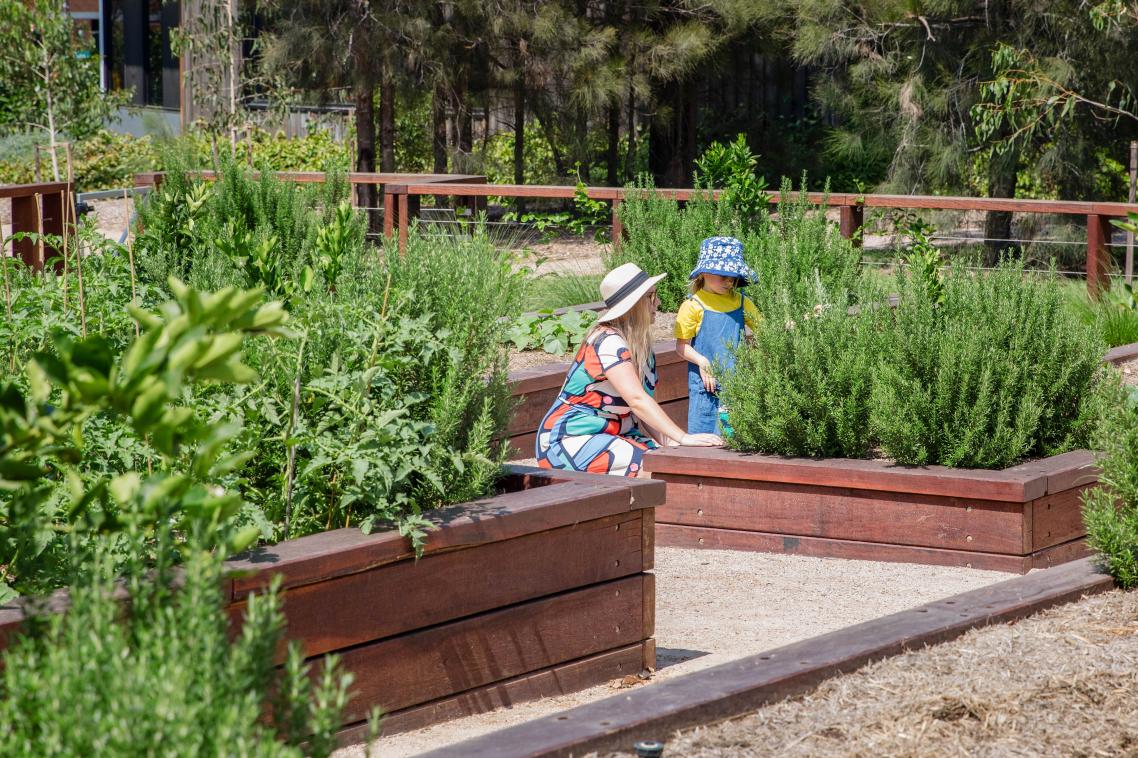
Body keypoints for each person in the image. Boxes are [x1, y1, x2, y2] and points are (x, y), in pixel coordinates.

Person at [536, 262, 723, 477]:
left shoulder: (639, 346)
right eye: (651, 297)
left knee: (672, 464)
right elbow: (637, 400)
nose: (658, 303)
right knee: (652, 468)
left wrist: (672, 445)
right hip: (572, 440)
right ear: (633, 305)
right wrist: (682, 437)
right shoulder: (607, 342)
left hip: (615, 435)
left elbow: (644, 407)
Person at [675, 236, 761, 435]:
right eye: (724, 276)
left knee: (734, 437)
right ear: (705, 273)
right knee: (705, 440)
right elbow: (681, 346)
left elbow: (765, 330)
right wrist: (701, 360)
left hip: (737, 384)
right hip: (706, 386)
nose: (729, 282)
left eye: (733, 277)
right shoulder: (692, 305)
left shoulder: (741, 302)